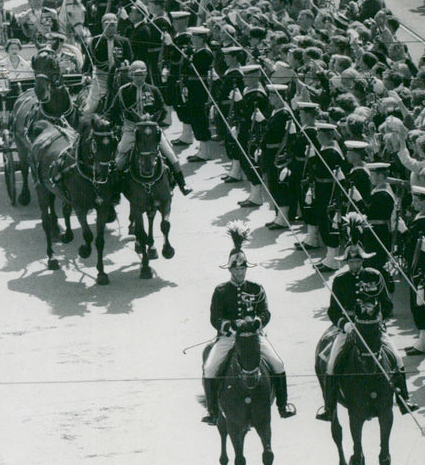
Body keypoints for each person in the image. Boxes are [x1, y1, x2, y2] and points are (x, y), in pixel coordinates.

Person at [202, 222, 296, 424]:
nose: (240, 272)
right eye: (236, 269)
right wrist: (229, 325)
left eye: (243, 268)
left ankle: (282, 404)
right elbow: (214, 318)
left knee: (278, 363)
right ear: (230, 270)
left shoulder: (256, 288)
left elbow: (265, 312)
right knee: (209, 368)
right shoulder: (220, 291)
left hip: (254, 337)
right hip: (229, 338)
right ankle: (212, 411)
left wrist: (257, 322)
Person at [317, 236, 418, 420]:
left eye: (358, 261)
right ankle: (329, 407)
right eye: (351, 262)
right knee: (331, 364)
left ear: (363, 261)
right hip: (349, 328)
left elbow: (386, 305)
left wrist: (378, 319)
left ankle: (404, 399)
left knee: (396, 358)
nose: (355, 265)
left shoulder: (374, 275)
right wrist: (345, 324)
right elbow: (333, 310)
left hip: (373, 327)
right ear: (346, 262)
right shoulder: (340, 280)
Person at [109, 60, 187, 194]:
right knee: (120, 157)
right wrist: (119, 124)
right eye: (136, 74)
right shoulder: (123, 92)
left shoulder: (154, 90)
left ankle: (182, 184)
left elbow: (163, 110)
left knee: (170, 154)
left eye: (142, 74)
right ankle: (115, 191)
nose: (139, 77)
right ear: (131, 76)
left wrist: (154, 120)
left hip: (151, 130)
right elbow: (113, 111)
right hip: (131, 130)